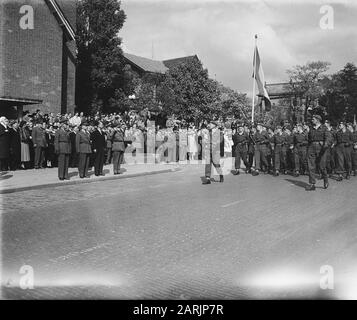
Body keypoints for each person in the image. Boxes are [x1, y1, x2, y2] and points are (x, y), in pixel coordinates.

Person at [306, 114, 332, 191]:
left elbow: (328, 138)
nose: (312, 120)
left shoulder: (324, 128)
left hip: (321, 148)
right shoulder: (311, 128)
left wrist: (325, 145)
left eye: (313, 119)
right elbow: (309, 138)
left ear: (318, 120)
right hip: (311, 147)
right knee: (311, 166)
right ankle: (312, 184)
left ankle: (326, 179)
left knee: (322, 166)